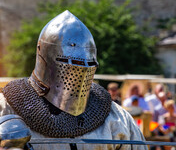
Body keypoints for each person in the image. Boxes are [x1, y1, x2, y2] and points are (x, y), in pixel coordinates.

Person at [0, 10, 147, 150]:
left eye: (88, 64)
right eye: (68, 61)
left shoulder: (115, 118)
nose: (79, 72)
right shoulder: (6, 109)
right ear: (43, 55)